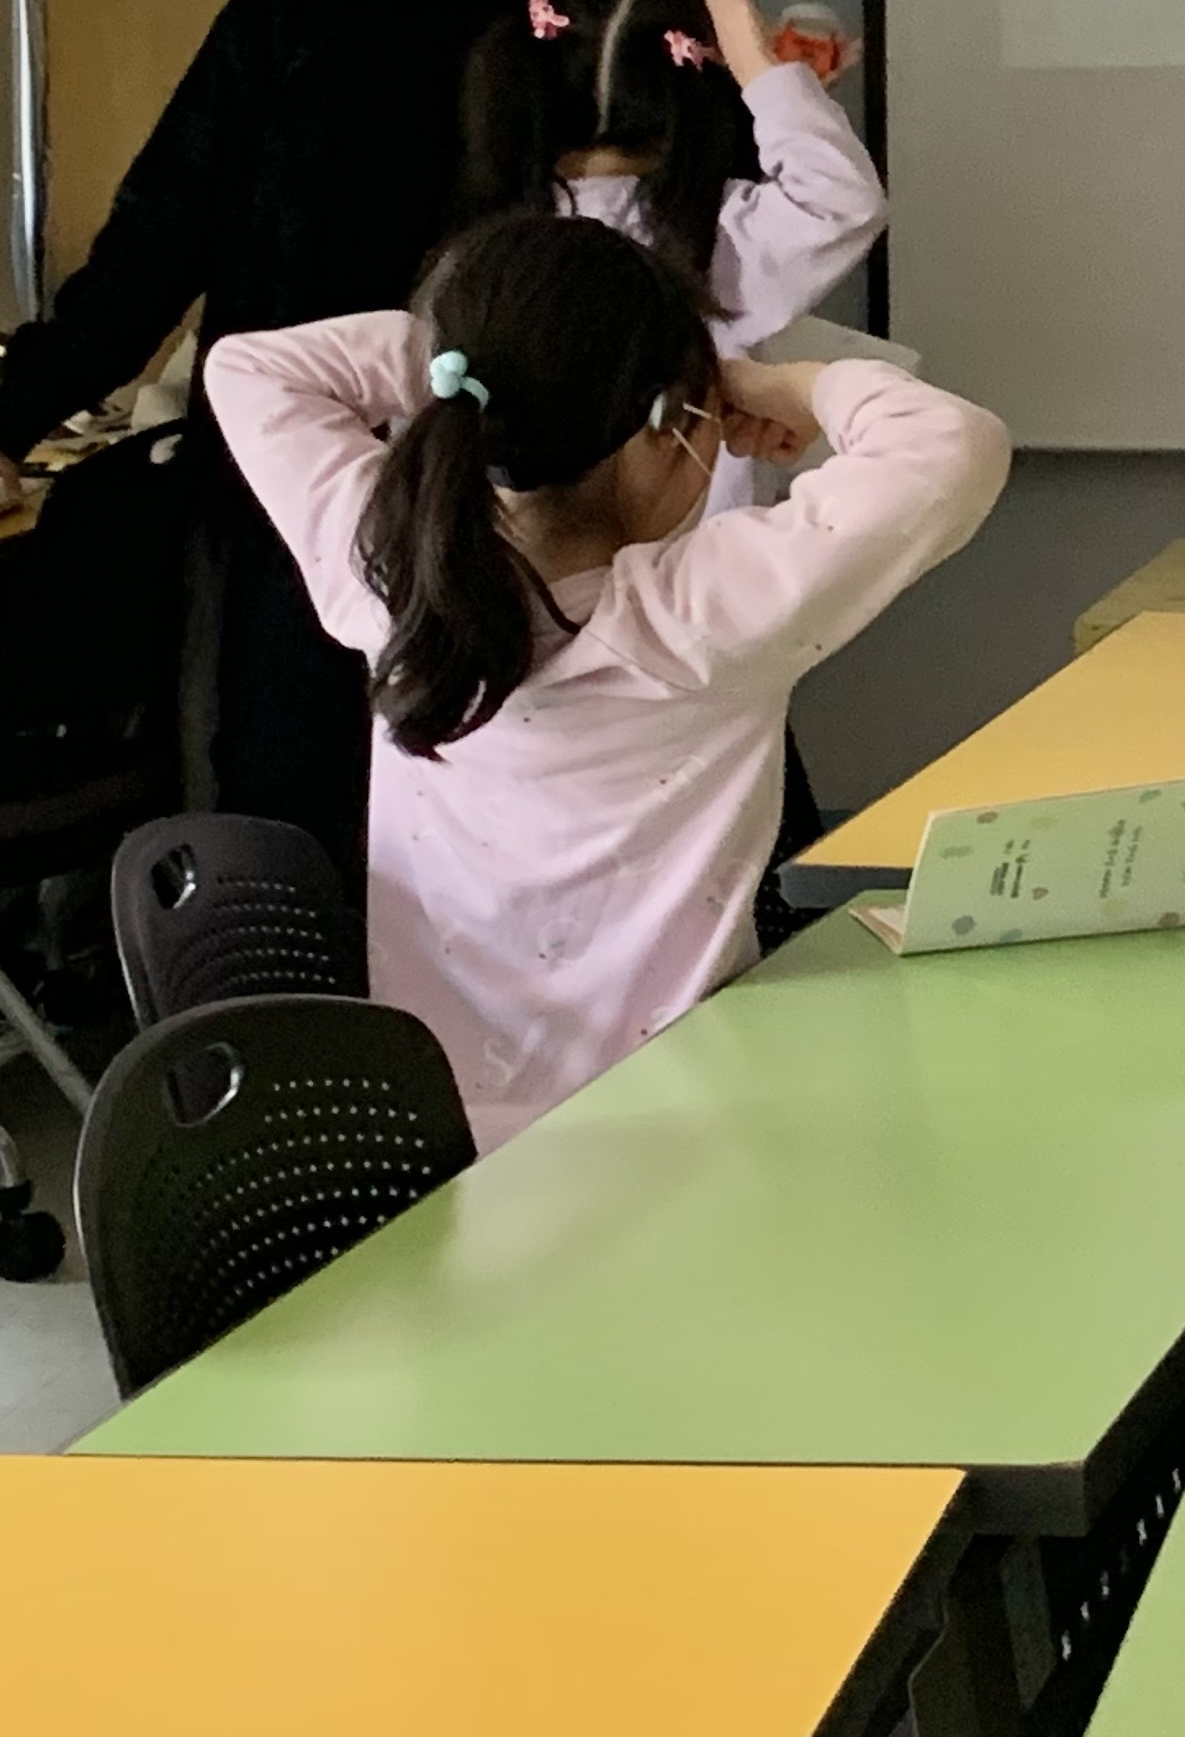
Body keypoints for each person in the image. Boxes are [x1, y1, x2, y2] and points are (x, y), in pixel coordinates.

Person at [206, 211, 1006, 1146]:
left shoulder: (389, 580)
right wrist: (783, 383)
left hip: (448, 1147)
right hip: (686, 1133)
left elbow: (250, 368)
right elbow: (953, 443)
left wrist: (476, 363)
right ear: (665, 425)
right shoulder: (703, 614)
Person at [0, 0, 541, 865]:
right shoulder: (279, 14)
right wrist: (15, 411)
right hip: (278, 481)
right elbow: (159, 237)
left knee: (470, 783)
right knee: (283, 773)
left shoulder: (528, 23)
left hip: (473, 473)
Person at [457, 0, 884, 498]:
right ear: (706, 103)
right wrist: (761, 70)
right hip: (704, 548)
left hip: (533, 543)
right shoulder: (715, 234)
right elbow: (841, 197)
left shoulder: (487, 253)